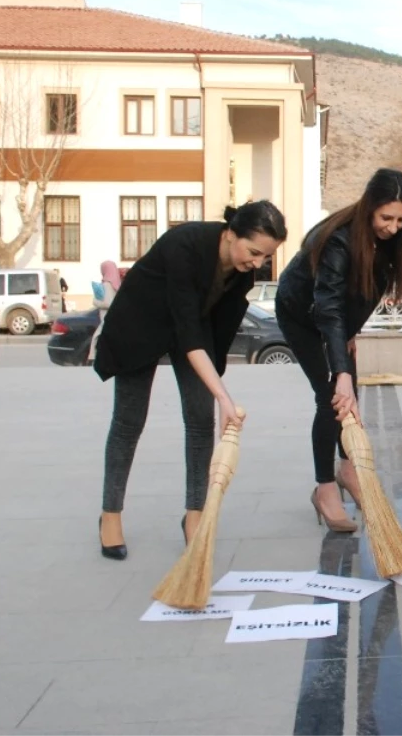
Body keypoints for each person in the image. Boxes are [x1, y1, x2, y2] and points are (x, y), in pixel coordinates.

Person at [94, 201, 287, 560]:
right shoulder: (185, 245)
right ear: (231, 234)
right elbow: (187, 332)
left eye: (267, 257)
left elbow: (208, 336)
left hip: (193, 333)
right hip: (141, 327)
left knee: (200, 421)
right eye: (254, 252)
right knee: (128, 423)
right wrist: (226, 399)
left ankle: (195, 517)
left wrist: (218, 397)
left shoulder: (242, 270)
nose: (258, 264)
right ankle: (110, 515)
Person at [275, 169, 402, 531]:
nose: (393, 227)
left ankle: (348, 470)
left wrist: (348, 334)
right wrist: (339, 370)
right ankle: (325, 489)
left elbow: (364, 294)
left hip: (335, 317)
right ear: (369, 207)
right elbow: (327, 306)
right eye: (386, 217)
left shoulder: (389, 240)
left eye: (401, 220)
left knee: (349, 398)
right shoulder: (338, 239)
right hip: (302, 314)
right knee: (331, 397)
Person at [89, 260, 122, 364]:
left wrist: (96, 302)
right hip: (114, 317)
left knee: (97, 336)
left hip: (107, 317)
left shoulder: (107, 284)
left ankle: (92, 357)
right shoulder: (117, 283)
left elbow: (108, 303)